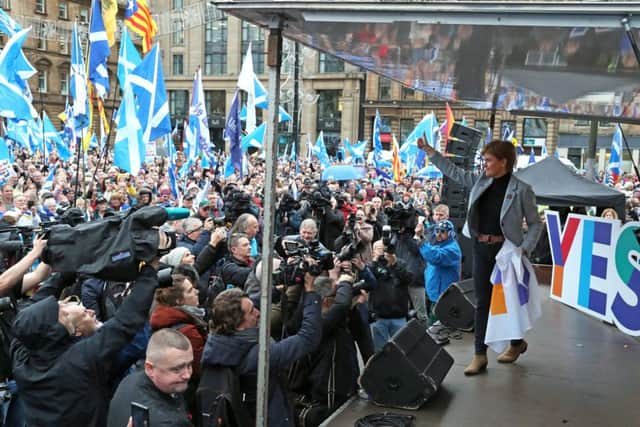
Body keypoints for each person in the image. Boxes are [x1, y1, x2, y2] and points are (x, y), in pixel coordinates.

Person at [418, 138, 543, 376]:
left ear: (503, 162)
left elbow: (536, 224)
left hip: (506, 251)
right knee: (483, 302)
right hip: (480, 248)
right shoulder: (481, 181)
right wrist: (430, 151)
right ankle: (480, 354)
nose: (484, 164)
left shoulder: (521, 190)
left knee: (509, 300)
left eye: (488, 160)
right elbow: (454, 172)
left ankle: (516, 343)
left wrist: (524, 248)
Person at [11, 262, 160, 426]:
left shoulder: (23, 355)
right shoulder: (79, 360)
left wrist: (66, 273)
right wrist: (148, 272)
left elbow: (28, 316)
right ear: (75, 331)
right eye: (63, 311)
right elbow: (125, 322)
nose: (64, 303)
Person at [201, 277, 322, 427]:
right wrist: (311, 292)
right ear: (239, 325)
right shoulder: (260, 355)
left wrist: (283, 285)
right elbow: (308, 338)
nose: (258, 313)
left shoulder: (218, 344)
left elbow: (250, 303)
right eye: (252, 311)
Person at [107, 329, 193, 427]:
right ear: (150, 368)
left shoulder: (129, 381)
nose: (187, 375)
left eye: (189, 365)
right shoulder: (170, 423)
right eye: (176, 369)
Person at [368, 240, 413, 352]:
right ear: (373, 252)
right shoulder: (372, 266)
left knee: (401, 351)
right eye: (379, 249)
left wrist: (394, 264)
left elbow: (408, 279)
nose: (383, 251)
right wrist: (375, 261)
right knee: (380, 352)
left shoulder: (401, 263)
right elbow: (368, 280)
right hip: (379, 317)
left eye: (385, 248)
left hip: (399, 316)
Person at [418, 219, 462, 326]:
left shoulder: (453, 249)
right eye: (437, 231)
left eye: (442, 231)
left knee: (436, 332)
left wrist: (422, 239)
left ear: (450, 233)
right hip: (434, 296)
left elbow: (435, 257)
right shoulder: (439, 246)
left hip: (443, 299)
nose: (438, 234)